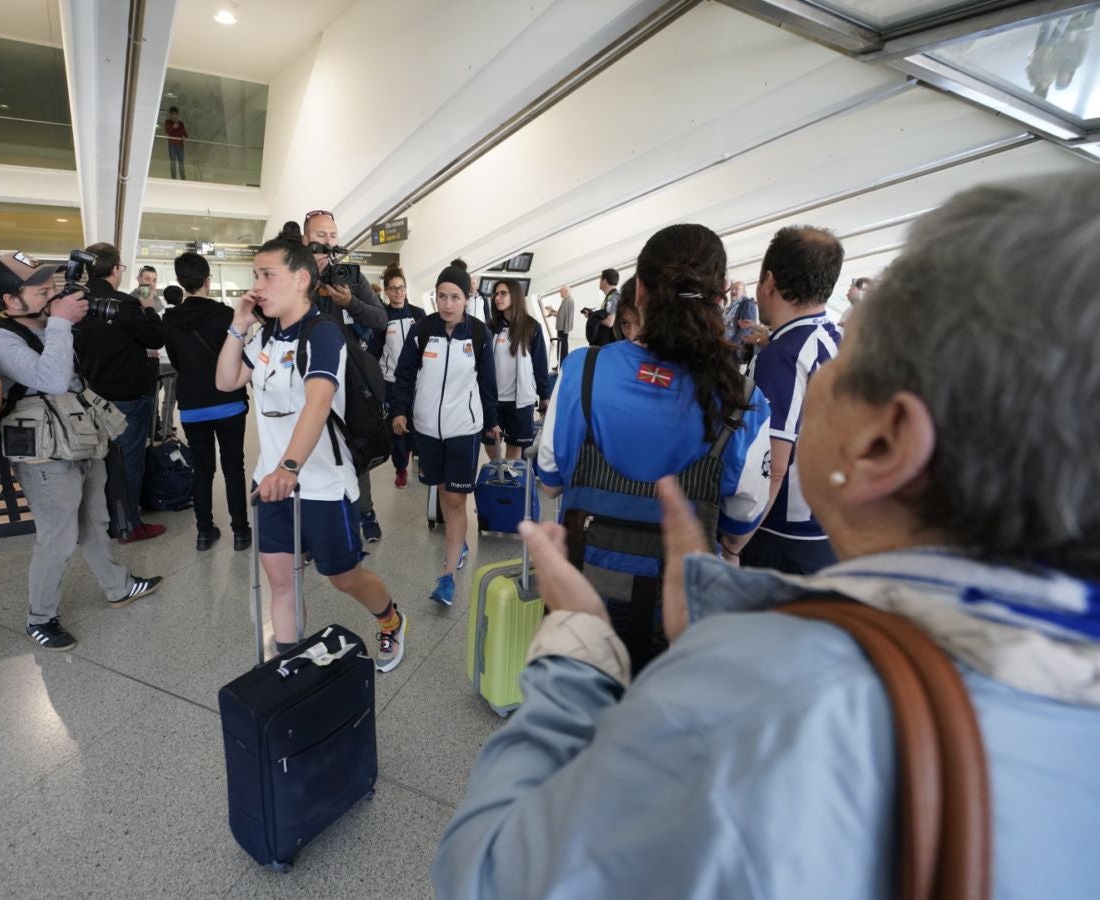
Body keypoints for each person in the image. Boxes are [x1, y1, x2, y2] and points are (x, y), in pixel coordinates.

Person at [435, 173, 1100, 900]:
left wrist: (577, 651)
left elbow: (491, 876)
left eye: (847, 356)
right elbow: (745, 504)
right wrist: (726, 590)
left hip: (595, 578)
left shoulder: (768, 696)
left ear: (886, 441)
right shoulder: (737, 397)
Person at [536, 224, 771, 670]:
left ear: (639, 290)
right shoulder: (744, 399)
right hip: (681, 626)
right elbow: (737, 527)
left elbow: (550, 484)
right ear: (721, 294)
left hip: (586, 609)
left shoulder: (583, 370)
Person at [214, 237, 407, 673]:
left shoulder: (323, 334)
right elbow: (226, 380)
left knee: (342, 576)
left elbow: (318, 402)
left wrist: (289, 466)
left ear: (301, 279)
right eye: (255, 276)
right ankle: (291, 671)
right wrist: (237, 323)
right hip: (271, 483)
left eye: (268, 275)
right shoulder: (264, 335)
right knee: (282, 583)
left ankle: (391, 619)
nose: (258, 285)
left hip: (320, 482)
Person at [0, 251, 163, 650]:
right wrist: (61, 322)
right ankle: (40, 618)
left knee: (94, 521)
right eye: (42, 291)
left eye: (52, 289)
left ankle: (118, 586)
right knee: (57, 537)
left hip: (79, 437)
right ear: (11, 300)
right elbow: (53, 379)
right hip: (43, 453)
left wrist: (61, 322)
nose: (52, 297)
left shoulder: (48, 326)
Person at [389, 266, 501, 607]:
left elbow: (487, 384)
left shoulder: (479, 334)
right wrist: (399, 411)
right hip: (426, 429)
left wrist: (491, 422)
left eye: (455, 297)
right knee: (441, 491)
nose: (448, 304)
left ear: (467, 298)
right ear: (435, 296)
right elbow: (404, 374)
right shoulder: (422, 330)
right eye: (442, 296)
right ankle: (458, 543)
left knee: (455, 500)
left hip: (463, 430)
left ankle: (448, 574)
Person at [736, 225, 845, 575]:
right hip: (828, 527)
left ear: (769, 282)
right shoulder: (836, 337)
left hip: (781, 538)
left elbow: (775, 467)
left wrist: (734, 543)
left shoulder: (783, 357)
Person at [299, 211, 389, 543]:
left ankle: (365, 509)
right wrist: (308, 283)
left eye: (334, 235)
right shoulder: (296, 276)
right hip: (304, 376)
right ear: (306, 240)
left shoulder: (350, 275)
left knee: (356, 441)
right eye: (320, 235)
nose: (328, 242)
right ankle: (311, 524)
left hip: (348, 376)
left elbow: (380, 318)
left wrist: (351, 302)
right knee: (308, 444)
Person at [76, 242, 167, 543]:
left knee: (103, 459)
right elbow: (155, 336)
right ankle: (129, 523)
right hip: (129, 394)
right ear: (115, 269)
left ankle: (108, 517)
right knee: (129, 458)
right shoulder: (123, 304)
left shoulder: (77, 301)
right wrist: (149, 310)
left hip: (94, 393)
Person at [162, 251, 251, 552]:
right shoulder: (226, 315)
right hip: (229, 401)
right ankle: (240, 531)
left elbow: (176, 361)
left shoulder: (170, 320)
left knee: (202, 469)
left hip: (192, 405)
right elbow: (238, 354)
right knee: (233, 467)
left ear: (180, 282)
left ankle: (204, 532)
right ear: (207, 280)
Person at [367, 263, 425, 488]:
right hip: (391, 382)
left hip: (418, 382)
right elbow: (375, 352)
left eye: (402, 288)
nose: (398, 292)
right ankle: (400, 467)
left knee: (416, 424)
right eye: (393, 289)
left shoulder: (419, 315)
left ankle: (415, 454)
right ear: (387, 291)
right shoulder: (382, 318)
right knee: (396, 428)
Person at [485, 278, 549, 461]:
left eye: (503, 293)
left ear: (515, 295)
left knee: (515, 446)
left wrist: (545, 395)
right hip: (493, 400)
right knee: (489, 442)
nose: (498, 298)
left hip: (520, 401)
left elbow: (540, 364)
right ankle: (498, 468)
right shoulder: (490, 328)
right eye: (496, 294)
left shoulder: (531, 327)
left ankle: (508, 479)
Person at [722, 280, 758, 364]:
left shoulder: (747, 304)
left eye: (736, 289)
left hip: (734, 349)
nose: (733, 291)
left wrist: (730, 346)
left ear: (744, 292)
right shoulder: (730, 307)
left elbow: (746, 329)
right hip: (726, 347)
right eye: (732, 289)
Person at [543, 284, 575, 363]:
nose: (559, 292)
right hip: (562, 328)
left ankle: (562, 364)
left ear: (566, 291)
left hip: (563, 328)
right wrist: (552, 310)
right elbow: (561, 313)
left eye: (561, 291)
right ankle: (560, 363)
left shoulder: (569, 301)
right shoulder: (566, 300)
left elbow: (560, 315)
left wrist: (551, 312)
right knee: (561, 347)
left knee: (562, 348)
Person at [452, 258, 490, 324]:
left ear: (477, 284)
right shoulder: (465, 296)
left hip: (481, 326)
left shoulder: (483, 297)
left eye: (473, 283)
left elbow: (487, 312)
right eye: (470, 283)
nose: (472, 286)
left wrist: (487, 324)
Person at [164, 106, 187, 180]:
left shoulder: (181, 123)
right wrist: (173, 127)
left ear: (177, 114)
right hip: (172, 145)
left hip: (180, 145)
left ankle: (183, 178)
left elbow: (185, 133)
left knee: (181, 162)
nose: (174, 115)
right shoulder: (168, 122)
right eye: (173, 114)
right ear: (170, 114)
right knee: (173, 161)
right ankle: (173, 178)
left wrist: (184, 136)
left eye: (176, 114)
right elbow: (167, 131)